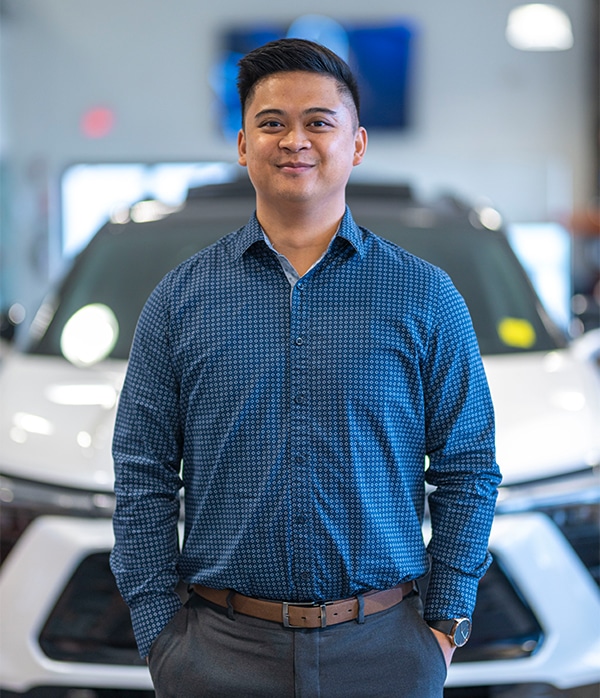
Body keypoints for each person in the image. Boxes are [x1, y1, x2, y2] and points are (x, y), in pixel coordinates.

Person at [110, 37, 501, 697]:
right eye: (272, 123)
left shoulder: (425, 297)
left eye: (319, 122)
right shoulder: (179, 300)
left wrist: (444, 624)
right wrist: (159, 632)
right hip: (216, 655)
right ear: (242, 146)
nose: (295, 139)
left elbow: (468, 469)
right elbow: (142, 476)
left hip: (387, 653)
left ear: (357, 144)